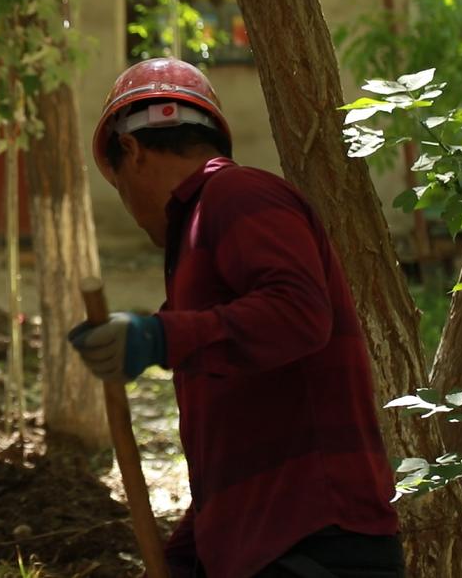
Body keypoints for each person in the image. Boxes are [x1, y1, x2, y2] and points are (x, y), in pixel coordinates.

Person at [68, 58, 404, 578]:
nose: (130, 207)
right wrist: (188, 555)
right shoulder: (200, 236)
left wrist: (159, 336)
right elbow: (239, 448)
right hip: (272, 548)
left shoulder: (238, 194)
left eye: (117, 186)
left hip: (318, 546)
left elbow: (298, 313)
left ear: (131, 151)